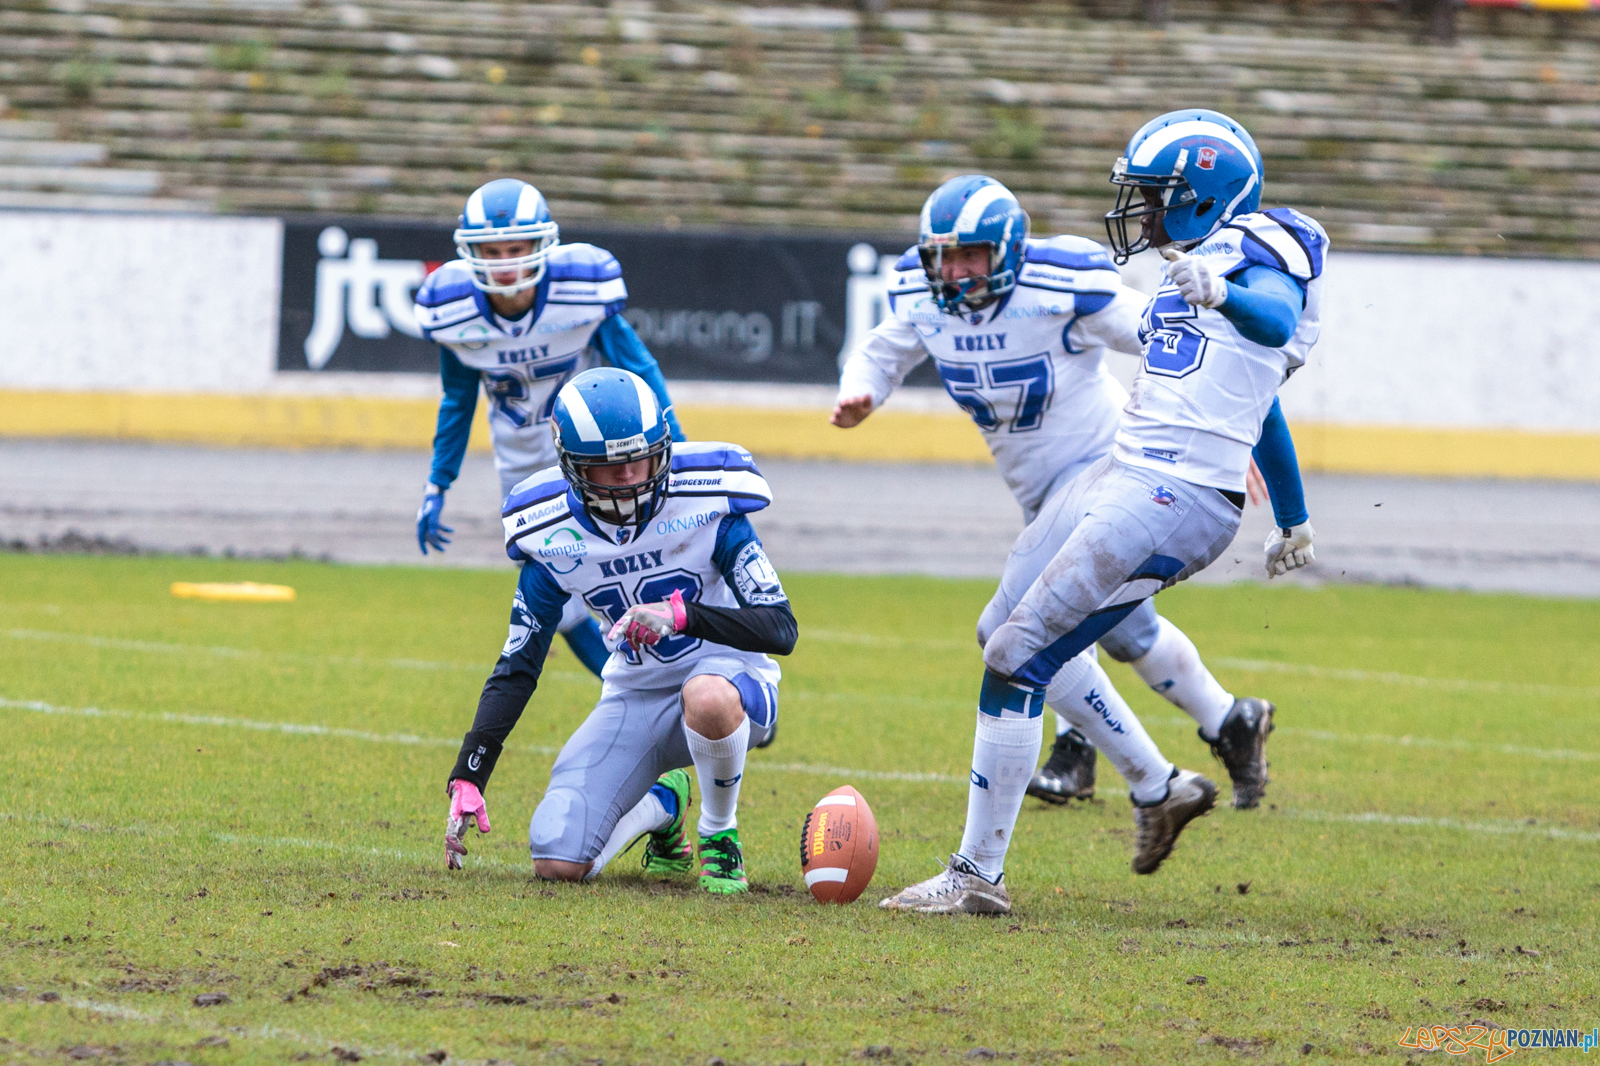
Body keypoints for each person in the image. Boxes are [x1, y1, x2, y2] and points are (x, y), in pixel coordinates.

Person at [880, 109, 1329, 914]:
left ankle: (978, 877)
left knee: (1017, 656)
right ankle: (1158, 788)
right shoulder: (1193, 266)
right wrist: (1292, 516)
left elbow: (1276, 318)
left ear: (1202, 194)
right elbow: (1260, 403)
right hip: (1124, 474)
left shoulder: (1264, 249)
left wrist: (1223, 291)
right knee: (1001, 634)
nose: (1141, 209)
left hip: (1172, 494)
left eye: (1156, 194)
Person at [441, 368, 796, 895]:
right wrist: (471, 772)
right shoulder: (551, 535)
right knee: (557, 859)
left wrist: (681, 616)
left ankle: (719, 834)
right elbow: (518, 663)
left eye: (641, 461)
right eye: (610, 471)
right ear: (572, 469)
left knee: (707, 696)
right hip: (635, 693)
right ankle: (664, 806)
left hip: (731, 684)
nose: (630, 479)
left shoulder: (707, 504)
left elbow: (780, 627)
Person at [412, 178, 685, 679]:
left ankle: (702, 677)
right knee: (566, 602)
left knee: (648, 564)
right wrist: (438, 482)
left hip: (601, 456)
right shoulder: (454, 311)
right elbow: (457, 400)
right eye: (491, 250)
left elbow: (638, 366)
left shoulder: (578, 291)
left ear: (542, 245)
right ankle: (633, 688)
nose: (504, 263)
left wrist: (678, 444)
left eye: (516, 248)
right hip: (521, 470)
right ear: (469, 252)